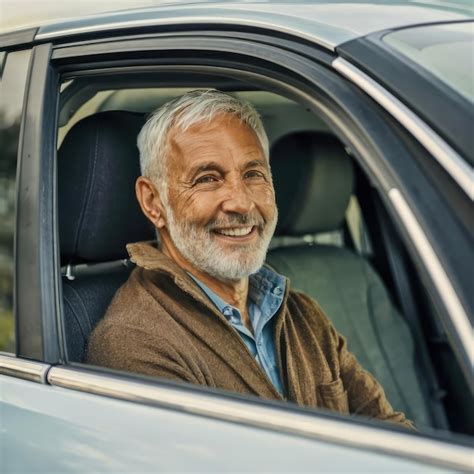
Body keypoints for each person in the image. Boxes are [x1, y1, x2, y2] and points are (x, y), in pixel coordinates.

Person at [86, 89, 412, 427]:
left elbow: (389, 431)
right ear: (153, 202)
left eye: (253, 174)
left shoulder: (302, 314)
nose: (241, 203)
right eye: (208, 179)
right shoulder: (135, 343)